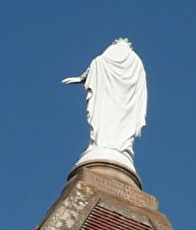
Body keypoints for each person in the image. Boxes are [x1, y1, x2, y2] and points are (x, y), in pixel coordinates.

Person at [63, 39, 148, 173]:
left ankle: (110, 148)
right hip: (124, 103)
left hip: (118, 101)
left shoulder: (114, 56)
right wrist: (82, 78)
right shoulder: (136, 61)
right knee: (116, 124)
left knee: (106, 121)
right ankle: (114, 149)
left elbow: (98, 62)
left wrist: (82, 77)